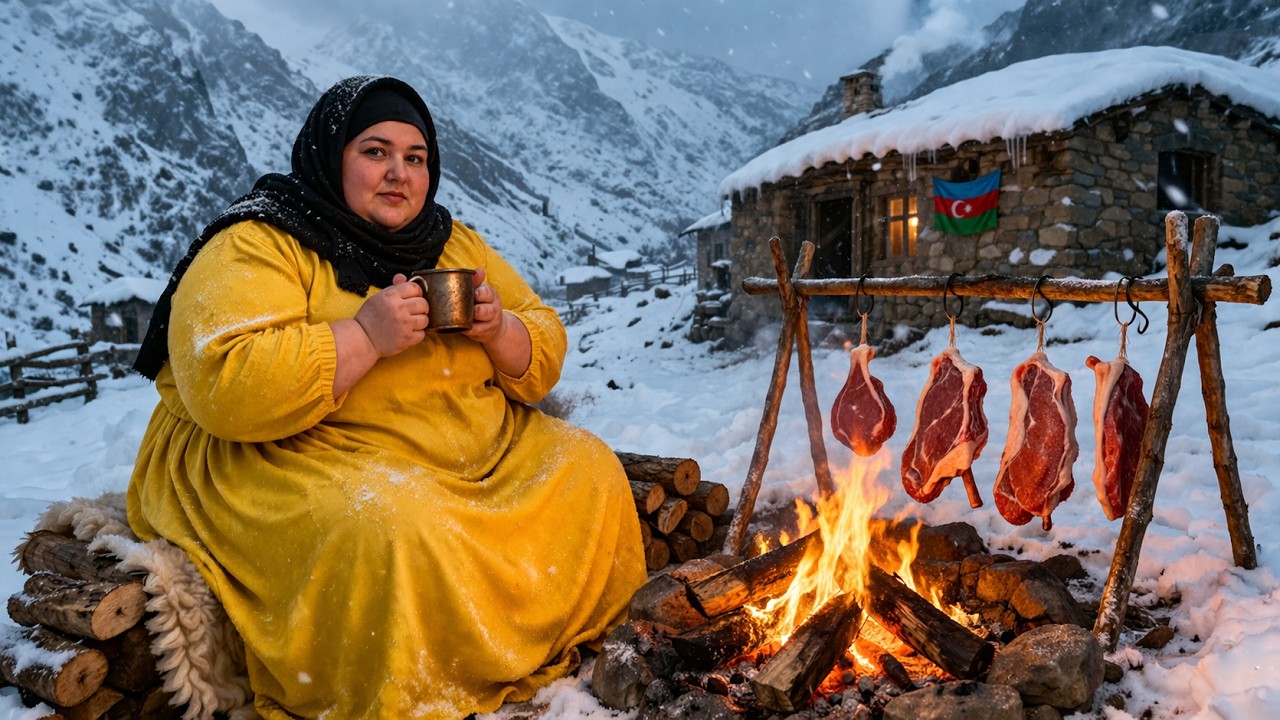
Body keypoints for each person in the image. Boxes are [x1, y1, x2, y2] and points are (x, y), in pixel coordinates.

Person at [127, 75, 647, 719]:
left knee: (588, 469)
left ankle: (573, 649)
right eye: (374, 152)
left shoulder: (451, 243)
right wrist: (363, 337)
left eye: (415, 157)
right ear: (330, 155)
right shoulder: (257, 243)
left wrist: (499, 327)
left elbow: (541, 339)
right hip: (296, 451)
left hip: (459, 442)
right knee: (394, 528)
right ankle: (416, 692)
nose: (398, 173)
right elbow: (225, 383)